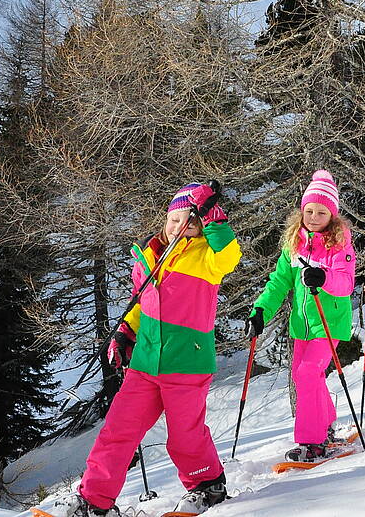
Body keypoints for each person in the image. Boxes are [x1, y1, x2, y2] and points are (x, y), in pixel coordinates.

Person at [52, 183, 242, 517]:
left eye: (190, 220)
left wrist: (213, 216)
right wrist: (126, 332)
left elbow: (229, 255)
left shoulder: (206, 258)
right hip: (145, 362)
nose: (180, 226)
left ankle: (207, 485)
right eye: (174, 218)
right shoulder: (150, 256)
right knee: (117, 431)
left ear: (200, 228)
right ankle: (94, 500)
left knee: (184, 436)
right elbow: (141, 303)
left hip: (187, 361)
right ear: (164, 220)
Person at [246, 170, 356, 463]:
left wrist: (323, 276)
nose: (313, 216)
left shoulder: (339, 243)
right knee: (305, 375)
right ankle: (327, 422)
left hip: (329, 323)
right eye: (309, 210)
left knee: (308, 373)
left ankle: (313, 441)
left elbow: (345, 283)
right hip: (301, 326)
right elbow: (278, 283)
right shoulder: (293, 244)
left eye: (321, 212)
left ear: (332, 215)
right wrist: (261, 311)